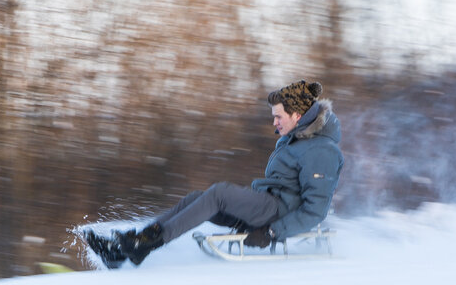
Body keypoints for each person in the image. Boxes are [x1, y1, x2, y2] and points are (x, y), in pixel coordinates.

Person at [85, 80, 344, 268]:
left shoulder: (321, 150)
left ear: (297, 115)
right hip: (267, 204)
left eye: (278, 117)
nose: (274, 122)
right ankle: (129, 245)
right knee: (196, 198)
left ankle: (145, 245)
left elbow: (316, 210)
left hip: (278, 213)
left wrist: (272, 233)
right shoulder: (295, 139)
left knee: (219, 193)